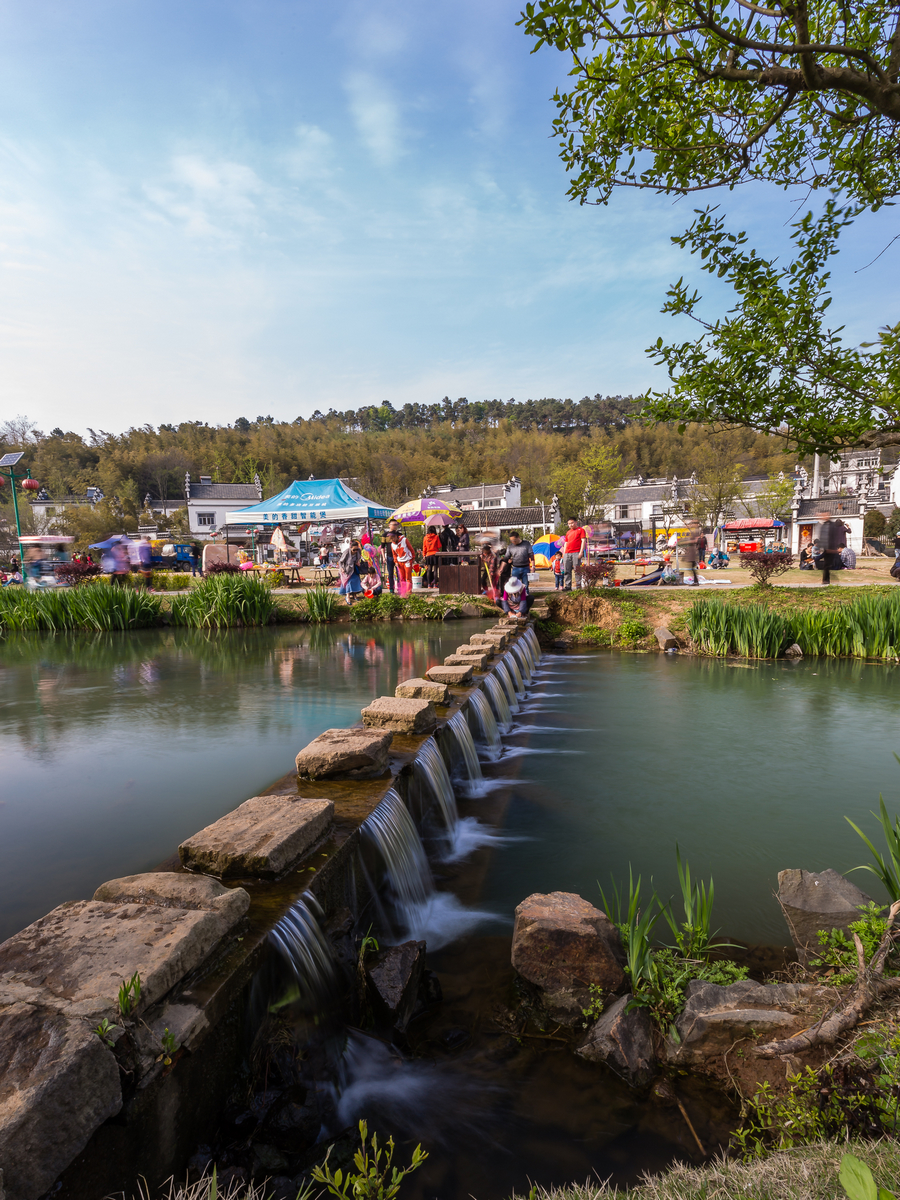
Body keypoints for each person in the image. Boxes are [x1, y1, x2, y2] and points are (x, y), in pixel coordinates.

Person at [817, 511, 845, 585]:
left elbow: (835, 537)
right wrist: (821, 547)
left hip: (832, 548)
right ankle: (826, 580)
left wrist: (834, 547)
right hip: (826, 549)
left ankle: (826, 580)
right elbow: (822, 537)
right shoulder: (823, 525)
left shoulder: (833, 525)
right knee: (826, 565)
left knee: (828, 564)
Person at [561, 518, 587, 590]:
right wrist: (564, 553)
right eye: (569, 524)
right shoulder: (568, 532)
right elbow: (566, 543)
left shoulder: (581, 530)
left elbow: (583, 541)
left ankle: (578, 586)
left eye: (572, 523)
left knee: (577, 570)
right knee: (566, 570)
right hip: (567, 553)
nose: (570, 525)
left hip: (576, 552)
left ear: (576, 522)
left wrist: (581, 552)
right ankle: (568, 586)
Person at [338, 540, 364, 606]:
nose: (355, 551)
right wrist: (342, 568)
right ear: (350, 548)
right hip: (347, 569)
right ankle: (348, 596)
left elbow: (358, 559)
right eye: (354, 550)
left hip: (355, 568)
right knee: (349, 582)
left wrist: (357, 562)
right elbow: (340, 561)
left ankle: (355, 595)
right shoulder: (346, 552)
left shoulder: (358, 551)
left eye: (356, 549)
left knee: (356, 581)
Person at [389, 529, 414, 595]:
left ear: (396, 536)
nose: (393, 540)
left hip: (407, 560)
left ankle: (409, 592)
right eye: (391, 539)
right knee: (401, 578)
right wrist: (395, 561)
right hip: (399, 563)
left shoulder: (404, 540)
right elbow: (394, 554)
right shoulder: (392, 545)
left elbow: (411, 549)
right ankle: (403, 591)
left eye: (393, 538)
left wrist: (412, 558)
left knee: (408, 577)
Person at [678, 521, 701, 585]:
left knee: (692, 568)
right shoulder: (693, 531)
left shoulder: (697, 531)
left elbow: (694, 541)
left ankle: (696, 582)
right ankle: (696, 581)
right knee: (691, 568)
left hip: (692, 553)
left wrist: (685, 542)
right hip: (691, 552)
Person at [382, 519, 402, 592]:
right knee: (390, 573)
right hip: (389, 557)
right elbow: (382, 547)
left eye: (396, 525)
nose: (395, 526)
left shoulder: (400, 535)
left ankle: (400, 589)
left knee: (399, 573)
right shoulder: (385, 535)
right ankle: (391, 589)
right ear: (389, 525)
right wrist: (383, 557)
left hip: (399, 557)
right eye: (393, 525)